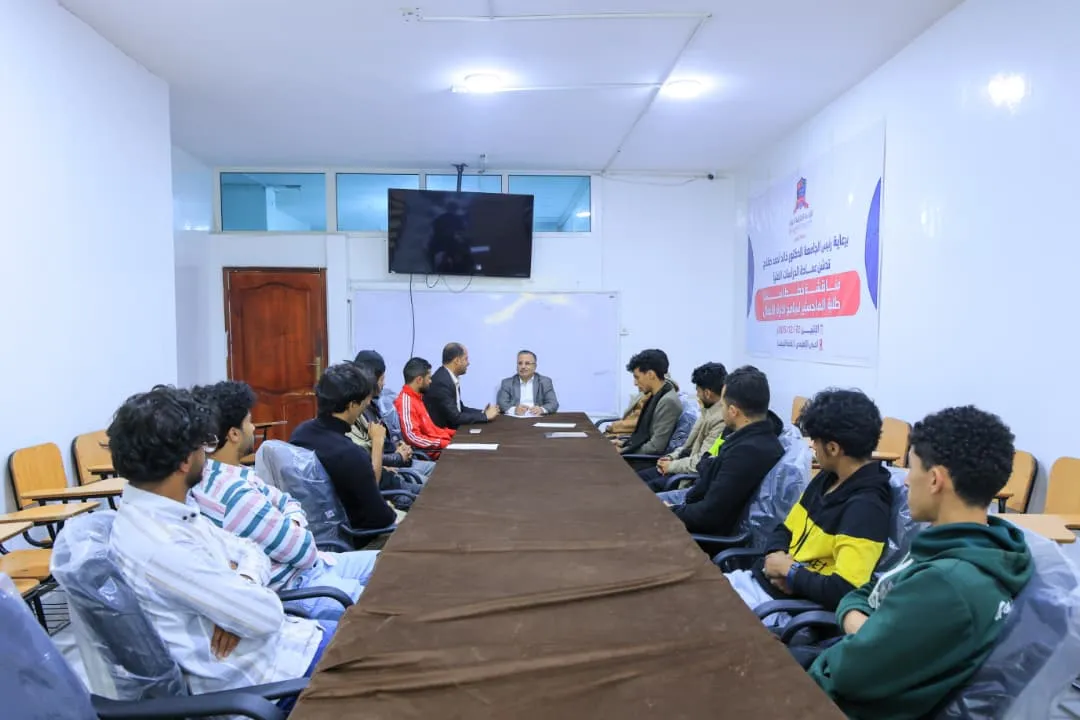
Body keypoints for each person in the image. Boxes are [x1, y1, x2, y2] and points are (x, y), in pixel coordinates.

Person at [106, 385, 334, 697]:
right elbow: (266, 615)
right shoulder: (162, 545)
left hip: (289, 648)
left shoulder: (171, 509)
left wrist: (240, 580)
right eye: (203, 447)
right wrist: (242, 599)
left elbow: (250, 551)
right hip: (273, 678)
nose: (208, 455)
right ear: (186, 460)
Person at [808, 406, 1034, 719]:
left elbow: (847, 673)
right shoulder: (965, 544)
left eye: (910, 468)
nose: (904, 482)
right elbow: (867, 591)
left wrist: (858, 624)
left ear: (934, 480)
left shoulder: (948, 582)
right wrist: (867, 627)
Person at [190, 380, 381, 620]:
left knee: (395, 562)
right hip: (304, 586)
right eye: (249, 421)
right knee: (392, 601)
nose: (253, 428)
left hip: (318, 565)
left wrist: (290, 523)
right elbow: (304, 551)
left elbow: (287, 501)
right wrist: (294, 525)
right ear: (234, 434)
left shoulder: (226, 473)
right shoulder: (235, 495)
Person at [724, 389, 892, 626]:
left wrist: (792, 574)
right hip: (762, 584)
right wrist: (776, 559)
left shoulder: (867, 508)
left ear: (833, 448)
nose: (812, 446)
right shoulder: (827, 479)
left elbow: (846, 589)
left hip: (785, 610)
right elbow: (784, 529)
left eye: (815, 440)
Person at [667, 366, 785, 536]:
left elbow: (709, 515)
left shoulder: (746, 453)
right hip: (697, 505)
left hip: (706, 534)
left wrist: (672, 511)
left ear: (733, 411)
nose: (721, 411)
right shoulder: (754, 437)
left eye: (722, 405)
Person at [290, 363, 401, 531]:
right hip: (356, 535)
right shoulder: (350, 454)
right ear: (351, 405)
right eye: (365, 401)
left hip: (315, 526)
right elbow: (381, 519)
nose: (367, 405)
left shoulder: (300, 433)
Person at [637, 362, 727, 492]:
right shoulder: (707, 410)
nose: (697, 395)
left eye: (698, 390)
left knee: (638, 489)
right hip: (678, 467)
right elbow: (687, 448)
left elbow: (702, 461)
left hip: (686, 479)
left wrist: (671, 466)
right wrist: (671, 457)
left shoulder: (720, 421)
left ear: (707, 393)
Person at [350, 350, 435, 483]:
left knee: (440, 473)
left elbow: (384, 439)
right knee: (435, 484)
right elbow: (368, 456)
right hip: (389, 472)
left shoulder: (372, 404)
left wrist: (399, 446)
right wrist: (397, 457)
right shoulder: (357, 414)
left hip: (396, 463)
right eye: (382, 379)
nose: (384, 384)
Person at [614, 350, 682, 462]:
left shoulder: (668, 401)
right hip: (639, 456)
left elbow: (656, 447)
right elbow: (643, 437)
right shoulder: (656, 395)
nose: (635, 383)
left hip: (646, 461)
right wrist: (623, 443)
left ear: (650, 374)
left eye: (637, 377)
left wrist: (623, 451)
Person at [425, 342, 498, 428]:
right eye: (466, 359)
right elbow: (455, 417)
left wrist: (482, 412)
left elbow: (460, 408)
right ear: (457, 361)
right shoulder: (442, 382)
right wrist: (485, 417)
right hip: (445, 434)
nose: (468, 363)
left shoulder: (448, 377)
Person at [395, 357, 456, 459]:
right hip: (433, 453)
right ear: (419, 380)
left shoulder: (418, 398)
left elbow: (431, 429)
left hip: (440, 448)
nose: (431, 381)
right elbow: (412, 437)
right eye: (429, 378)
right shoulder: (405, 402)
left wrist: (454, 434)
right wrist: (443, 443)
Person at [496, 350, 559, 416]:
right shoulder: (507, 383)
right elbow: (501, 404)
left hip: (537, 418)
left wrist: (541, 409)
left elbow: (553, 403)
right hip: (515, 419)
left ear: (535, 366)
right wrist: (514, 410)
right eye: (520, 363)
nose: (523, 366)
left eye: (527, 363)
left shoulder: (545, 382)